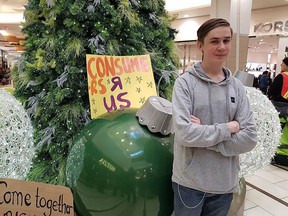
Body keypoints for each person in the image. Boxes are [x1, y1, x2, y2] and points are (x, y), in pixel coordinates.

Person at [171, 18, 257, 216]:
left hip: (225, 185)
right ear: (200, 45)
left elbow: (250, 137)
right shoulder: (185, 84)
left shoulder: (237, 87)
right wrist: (229, 128)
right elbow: (185, 134)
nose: (221, 47)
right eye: (214, 41)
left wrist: (206, 137)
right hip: (189, 184)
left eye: (226, 41)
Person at [268, 57, 288, 165]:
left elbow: (271, 90)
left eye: (282, 64)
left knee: (276, 131)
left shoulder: (282, 76)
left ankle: (276, 154)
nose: (281, 65)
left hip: (280, 108)